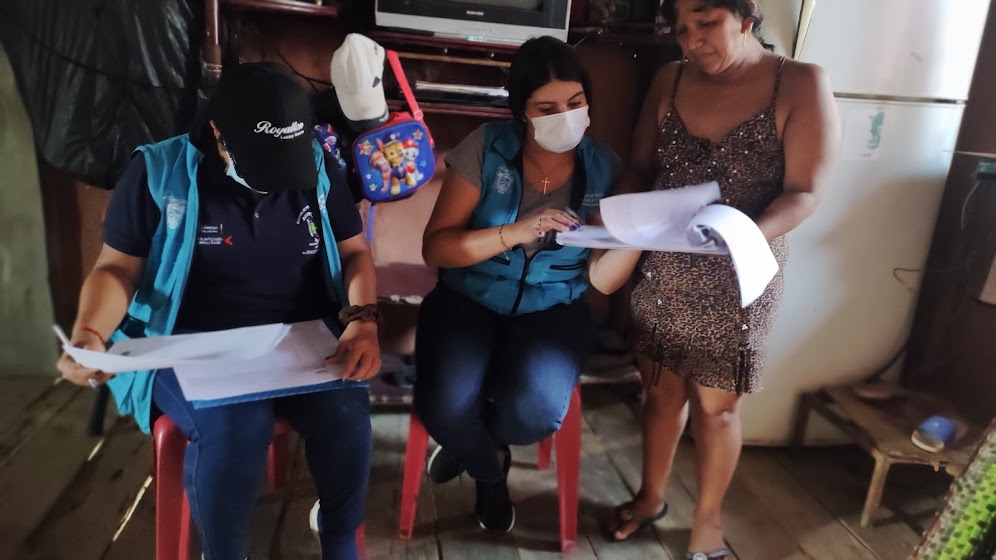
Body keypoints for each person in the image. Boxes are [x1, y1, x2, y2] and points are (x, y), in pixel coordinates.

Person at [55, 62, 381, 560]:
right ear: (217, 134)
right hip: (189, 343)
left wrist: (362, 320)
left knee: (347, 420)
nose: (273, 185)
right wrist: (91, 333)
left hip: (297, 340)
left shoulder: (318, 165)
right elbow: (117, 269)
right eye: (262, 165)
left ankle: (339, 542)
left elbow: (354, 252)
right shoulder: (158, 173)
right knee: (234, 432)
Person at [602, 1, 839, 557]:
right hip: (663, 271)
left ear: (746, 17)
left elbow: (805, 191)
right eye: (681, 30)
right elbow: (640, 168)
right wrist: (620, 219)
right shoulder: (669, 78)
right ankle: (649, 498)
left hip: (740, 277)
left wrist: (741, 237)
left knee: (718, 409)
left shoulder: (800, 83)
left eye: (706, 23)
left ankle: (707, 523)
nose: (691, 42)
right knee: (660, 394)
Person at [414, 36, 635, 533]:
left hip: (554, 304)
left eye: (576, 103)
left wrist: (628, 237)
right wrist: (515, 232)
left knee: (535, 414)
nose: (566, 118)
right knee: (443, 410)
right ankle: (490, 469)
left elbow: (601, 278)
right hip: (469, 296)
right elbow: (437, 248)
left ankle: (475, 445)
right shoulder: (487, 147)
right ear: (521, 111)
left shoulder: (604, 167)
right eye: (547, 109)